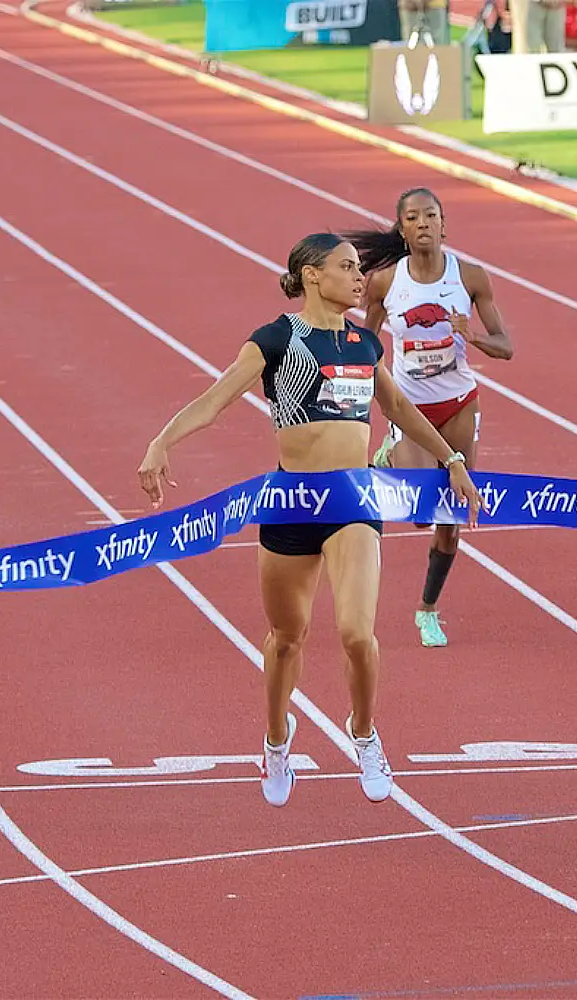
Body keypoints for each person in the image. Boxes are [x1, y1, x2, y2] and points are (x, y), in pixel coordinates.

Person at [137, 233, 482, 808]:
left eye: (358, 268)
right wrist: (161, 441)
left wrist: (451, 460)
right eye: (347, 267)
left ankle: (365, 733)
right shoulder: (277, 340)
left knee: (356, 633)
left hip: (352, 504)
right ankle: (277, 739)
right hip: (292, 505)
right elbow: (216, 399)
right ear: (312, 275)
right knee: (286, 638)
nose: (359, 277)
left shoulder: (363, 343)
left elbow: (396, 407)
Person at [344, 188, 513, 649]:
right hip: (410, 405)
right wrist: (365, 382)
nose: (423, 224)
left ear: (444, 225)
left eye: (431, 215)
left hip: (459, 402)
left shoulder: (471, 278)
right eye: (413, 218)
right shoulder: (385, 283)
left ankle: (428, 609)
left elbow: (507, 346)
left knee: (453, 515)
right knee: (420, 511)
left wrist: (471, 337)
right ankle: (390, 455)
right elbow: (367, 340)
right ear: (401, 228)